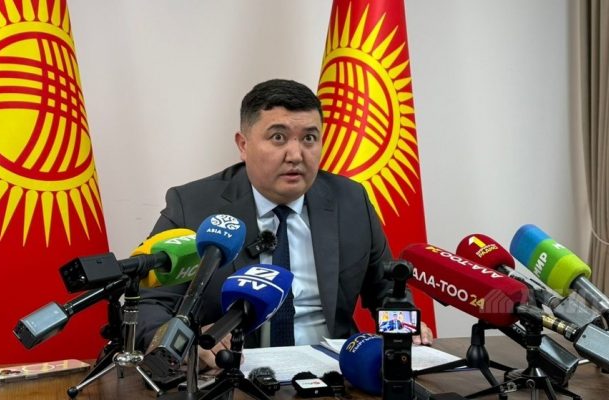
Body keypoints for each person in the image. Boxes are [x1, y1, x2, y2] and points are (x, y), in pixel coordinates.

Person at [136, 79, 433, 369]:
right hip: (231, 373)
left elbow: (386, 289)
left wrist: (405, 327)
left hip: (334, 374)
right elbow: (148, 304)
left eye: (309, 138)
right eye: (278, 137)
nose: (296, 155)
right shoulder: (193, 206)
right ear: (243, 145)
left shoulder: (350, 201)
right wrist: (191, 343)